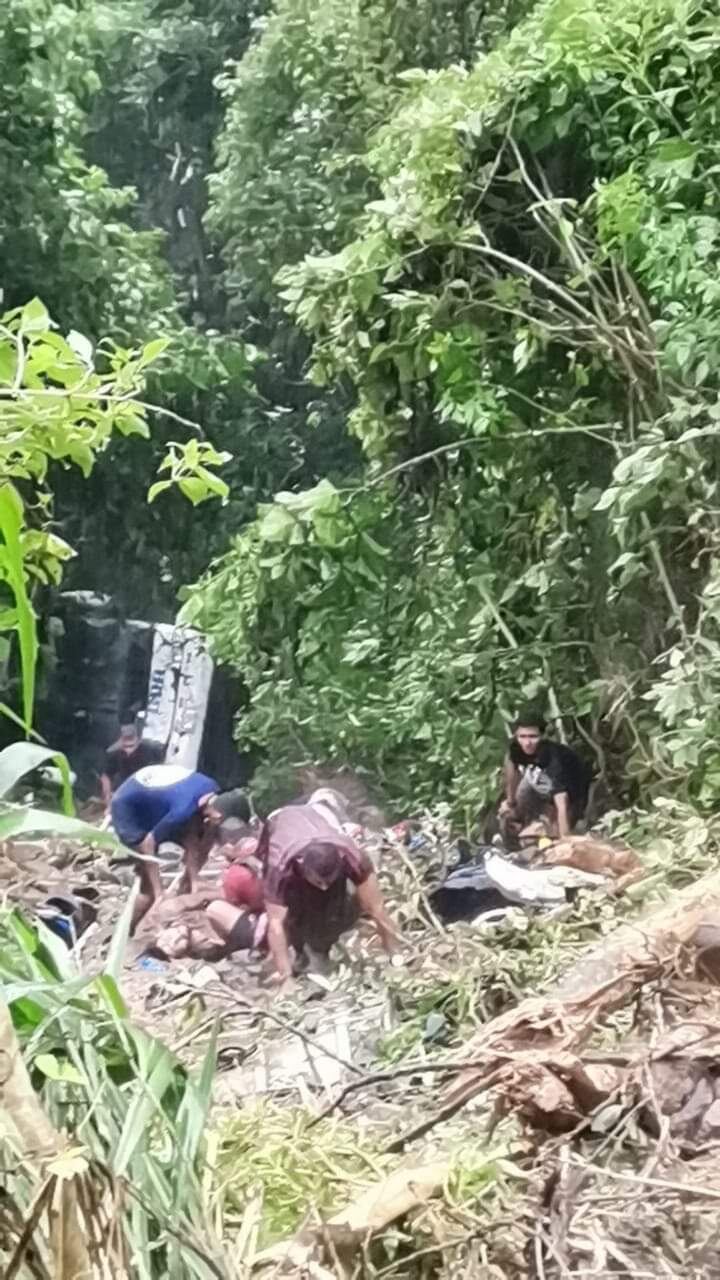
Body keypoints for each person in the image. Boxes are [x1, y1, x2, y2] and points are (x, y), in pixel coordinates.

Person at [257, 801, 401, 987]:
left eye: (328, 880)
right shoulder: (280, 868)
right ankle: (302, 951)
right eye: (319, 881)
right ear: (301, 865)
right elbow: (276, 923)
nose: (324, 886)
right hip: (283, 836)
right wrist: (285, 976)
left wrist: (395, 956)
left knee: (347, 901)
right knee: (294, 913)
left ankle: (331, 933)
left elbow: (377, 908)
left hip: (315, 827)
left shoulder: (352, 856)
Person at [110, 763, 252, 925]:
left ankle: (189, 885)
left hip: (157, 800)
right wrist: (160, 893)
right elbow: (148, 844)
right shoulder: (182, 809)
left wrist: (194, 877)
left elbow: (191, 833)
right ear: (218, 814)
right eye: (220, 821)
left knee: (204, 833)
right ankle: (128, 929)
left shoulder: (211, 792)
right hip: (128, 809)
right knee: (148, 890)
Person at [499, 711, 591, 844]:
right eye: (522, 737)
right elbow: (512, 764)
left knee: (556, 835)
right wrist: (510, 801)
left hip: (569, 791)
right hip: (535, 781)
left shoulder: (554, 760)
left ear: (542, 737)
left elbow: (561, 800)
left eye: (533, 737)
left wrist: (564, 837)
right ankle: (516, 834)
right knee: (510, 811)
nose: (527, 743)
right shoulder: (516, 748)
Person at [100, 722, 163, 811]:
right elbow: (106, 775)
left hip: (145, 786)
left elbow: (158, 775)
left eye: (131, 746)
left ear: (138, 741)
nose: (128, 750)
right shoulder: (116, 753)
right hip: (124, 786)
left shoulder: (150, 751)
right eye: (125, 746)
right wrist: (107, 794)